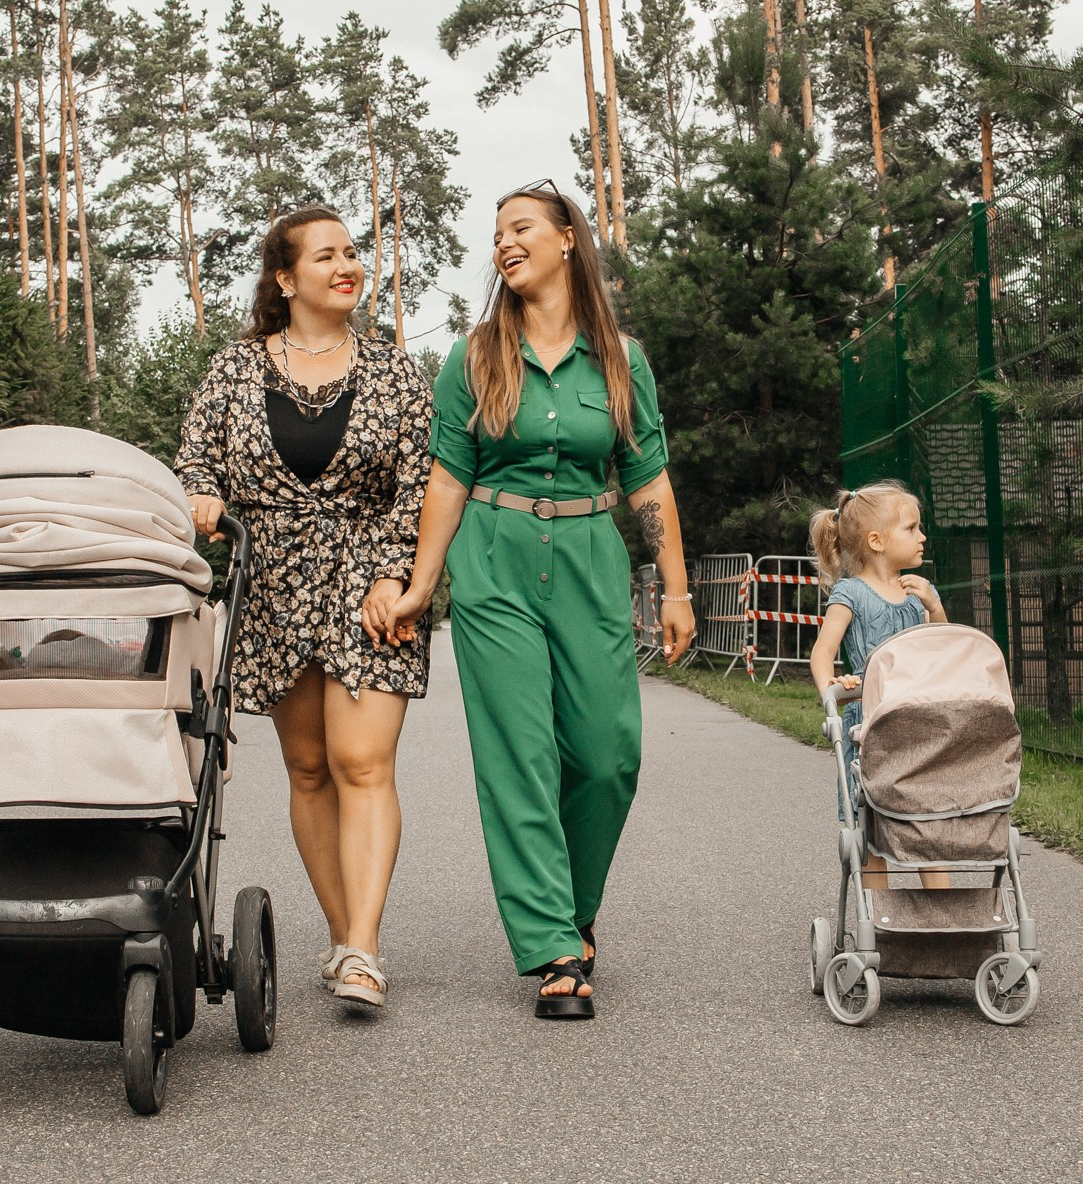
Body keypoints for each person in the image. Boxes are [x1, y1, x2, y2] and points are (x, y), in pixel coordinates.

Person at [380, 180, 696, 1020]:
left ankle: (576, 907)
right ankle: (555, 945)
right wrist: (422, 584)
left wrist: (676, 587)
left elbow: (648, 480)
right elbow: (451, 473)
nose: (504, 244)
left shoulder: (622, 360)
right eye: (496, 234)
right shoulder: (473, 356)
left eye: (520, 228)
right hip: (496, 558)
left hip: (591, 555)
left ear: (566, 242)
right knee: (519, 754)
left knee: (606, 754)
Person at [175, 207, 433, 1013]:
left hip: (370, 584)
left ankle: (364, 947)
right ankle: (342, 934)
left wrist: (397, 575)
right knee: (310, 768)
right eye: (327, 256)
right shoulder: (235, 369)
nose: (348, 265)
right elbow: (192, 463)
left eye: (353, 252)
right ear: (285, 279)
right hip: (274, 585)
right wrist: (204, 500)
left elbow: (420, 484)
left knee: (363, 762)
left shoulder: (395, 373)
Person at [807, 480, 950, 886]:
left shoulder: (920, 593)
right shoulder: (851, 592)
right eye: (912, 528)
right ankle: (880, 923)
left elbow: (944, 646)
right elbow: (822, 654)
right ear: (877, 541)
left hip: (917, 722)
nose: (923, 537)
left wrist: (935, 605)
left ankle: (943, 919)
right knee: (871, 832)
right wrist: (833, 687)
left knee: (927, 826)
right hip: (866, 726)